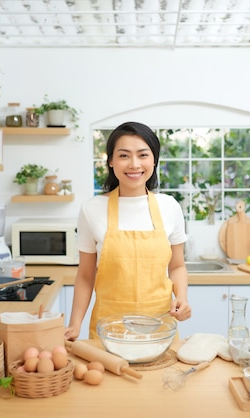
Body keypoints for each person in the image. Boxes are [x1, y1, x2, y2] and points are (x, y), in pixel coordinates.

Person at [65, 121, 191, 340]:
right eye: (124, 155)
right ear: (111, 161)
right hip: (109, 332)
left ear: (154, 160)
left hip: (159, 331)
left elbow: (177, 266)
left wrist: (182, 298)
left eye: (143, 155)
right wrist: (75, 325)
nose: (134, 164)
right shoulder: (91, 209)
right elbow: (86, 276)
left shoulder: (169, 207)